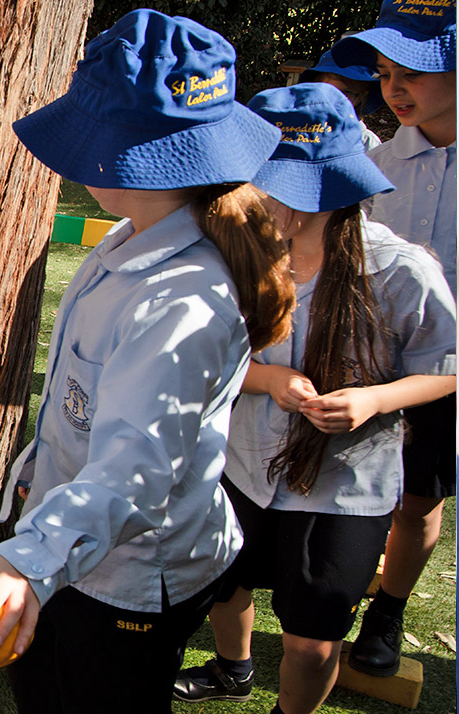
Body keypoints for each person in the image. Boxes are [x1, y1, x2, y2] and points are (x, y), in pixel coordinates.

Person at [0, 10, 293, 714]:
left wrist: (26, 560)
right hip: (81, 542)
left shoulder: (183, 300)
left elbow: (135, 472)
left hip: (124, 575)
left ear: (114, 153)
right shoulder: (139, 237)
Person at [172, 84, 455, 714]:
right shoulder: (234, 260)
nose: (255, 198)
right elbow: (201, 360)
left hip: (345, 488)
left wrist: (375, 401)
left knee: (310, 643)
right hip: (242, 465)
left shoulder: (400, 270)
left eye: (275, 184)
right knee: (223, 587)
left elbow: (448, 366)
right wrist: (267, 380)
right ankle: (234, 667)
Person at [332, 0, 458, 678]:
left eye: (415, 71)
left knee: (418, 500)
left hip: (447, 370)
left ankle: (388, 610)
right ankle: (336, 590)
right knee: (351, 485)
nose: (395, 88)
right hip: (369, 360)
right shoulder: (377, 165)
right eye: (384, 72)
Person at [299, 50, 384, 149]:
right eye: (326, 89)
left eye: (344, 92)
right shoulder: (299, 132)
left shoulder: (367, 142)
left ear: (359, 98)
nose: (332, 98)